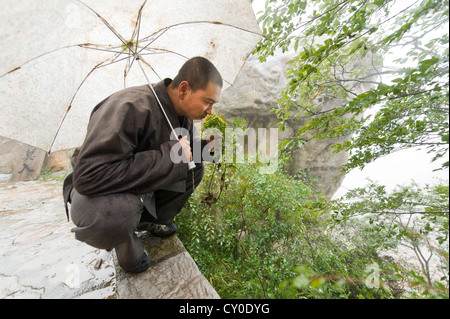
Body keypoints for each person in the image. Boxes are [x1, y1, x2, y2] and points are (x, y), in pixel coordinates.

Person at [63, 57, 222, 273]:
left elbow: (173, 149)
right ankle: (126, 242)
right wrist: (170, 155)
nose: (209, 110)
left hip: (129, 178)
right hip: (92, 190)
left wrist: (204, 147)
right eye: (208, 101)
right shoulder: (128, 107)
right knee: (120, 212)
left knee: (194, 166)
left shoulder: (181, 114)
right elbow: (89, 176)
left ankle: (150, 220)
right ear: (184, 89)